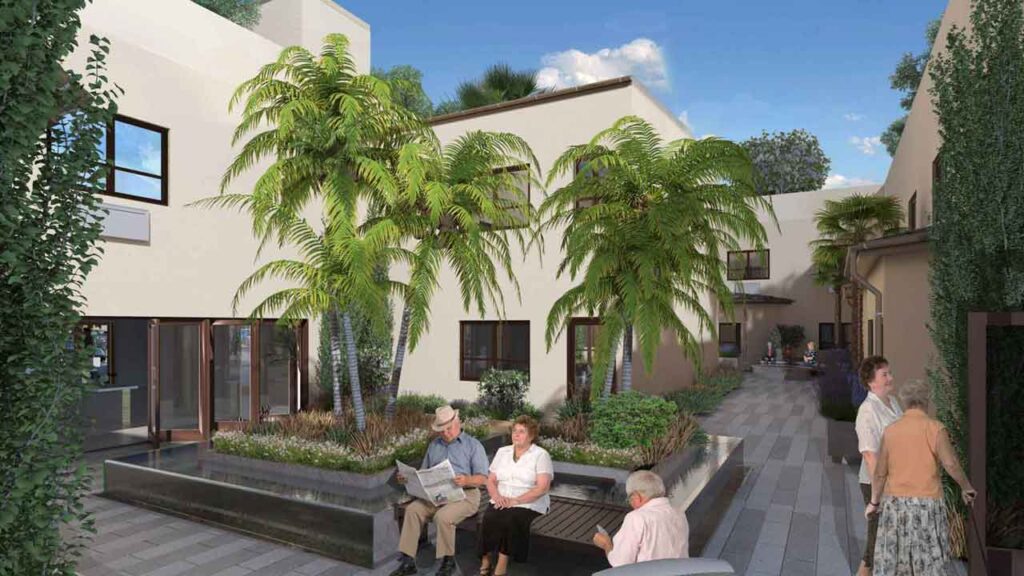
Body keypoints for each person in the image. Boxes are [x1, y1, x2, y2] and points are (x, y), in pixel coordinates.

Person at [866, 379, 976, 576]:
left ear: (906, 403)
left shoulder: (891, 431)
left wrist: (874, 502)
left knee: (896, 560)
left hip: (895, 504)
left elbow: (880, 473)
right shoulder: (935, 428)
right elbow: (951, 464)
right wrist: (966, 487)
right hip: (927, 505)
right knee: (928, 563)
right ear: (926, 401)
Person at [391, 405, 490, 576]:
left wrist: (466, 480)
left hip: (465, 495)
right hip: (437, 494)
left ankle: (448, 562)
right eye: (442, 430)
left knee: (443, 517)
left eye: (449, 428)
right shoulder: (434, 445)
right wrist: (407, 478)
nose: (445, 433)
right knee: (413, 510)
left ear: (458, 422)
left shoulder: (473, 445)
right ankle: (408, 562)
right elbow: (423, 473)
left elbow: (483, 478)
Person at [478, 415, 553, 576]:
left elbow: (542, 488)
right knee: (488, 517)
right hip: (502, 497)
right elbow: (489, 480)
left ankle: (501, 566)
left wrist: (515, 500)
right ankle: (485, 559)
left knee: (510, 519)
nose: (516, 434)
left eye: (522, 431)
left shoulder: (541, 455)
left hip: (529, 501)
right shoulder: (502, 452)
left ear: (531, 436)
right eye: (514, 431)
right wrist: (497, 497)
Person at [854, 356, 903, 576]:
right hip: (878, 485)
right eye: (885, 374)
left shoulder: (892, 403)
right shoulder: (867, 412)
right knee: (873, 549)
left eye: (890, 373)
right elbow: (870, 457)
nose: (891, 378)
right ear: (871, 381)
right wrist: (879, 496)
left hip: (899, 481)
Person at [592, 470, 688, 567]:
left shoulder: (636, 518)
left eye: (629, 498)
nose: (630, 502)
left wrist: (606, 544)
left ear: (637, 496)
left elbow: (620, 564)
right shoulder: (679, 513)